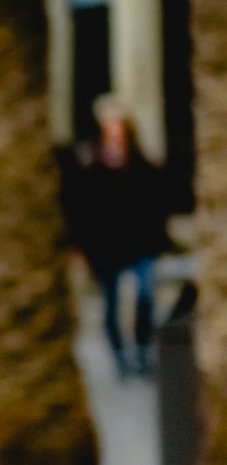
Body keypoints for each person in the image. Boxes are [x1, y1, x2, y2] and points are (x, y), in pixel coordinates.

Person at [65, 100, 173, 380]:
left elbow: (158, 199)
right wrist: (80, 244)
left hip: (141, 243)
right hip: (108, 247)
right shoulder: (93, 167)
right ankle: (120, 357)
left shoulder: (140, 165)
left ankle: (141, 350)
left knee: (144, 295)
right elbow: (81, 209)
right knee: (111, 305)